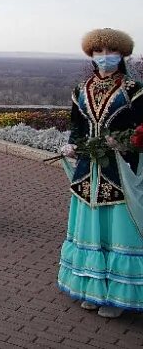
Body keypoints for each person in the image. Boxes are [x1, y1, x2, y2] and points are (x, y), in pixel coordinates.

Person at [57, 28, 143, 318]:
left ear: (122, 55)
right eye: (98, 52)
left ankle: (115, 294)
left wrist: (121, 142)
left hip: (119, 170)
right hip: (87, 172)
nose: (104, 57)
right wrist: (72, 144)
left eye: (110, 52)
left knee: (116, 229)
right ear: (91, 56)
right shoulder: (80, 90)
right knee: (90, 228)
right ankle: (91, 288)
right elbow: (77, 127)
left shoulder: (135, 90)